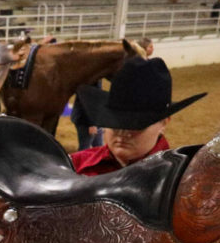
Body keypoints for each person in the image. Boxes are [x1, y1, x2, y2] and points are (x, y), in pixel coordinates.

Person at [71, 57, 205, 176]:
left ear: (163, 123)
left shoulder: (183, 179)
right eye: (115, 123)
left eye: (134, 125)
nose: (122, 133)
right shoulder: (72, 166)